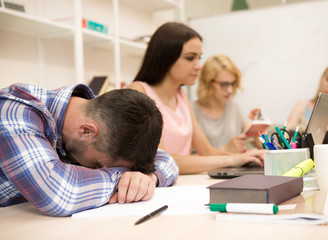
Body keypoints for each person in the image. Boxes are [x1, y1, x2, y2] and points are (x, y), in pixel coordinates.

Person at [0, 83, 179, 216]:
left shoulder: (102, 118)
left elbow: (166, 160)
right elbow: (58, 194)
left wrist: (148, 178)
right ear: (87, 131)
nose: (99, 170)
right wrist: (123, 181)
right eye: (99, 165)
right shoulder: (14, 111)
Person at [127, 22, 264, 174]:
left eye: (199, 58)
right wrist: (234, 159)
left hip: (183, 183)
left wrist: (248, 156)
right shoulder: (138, 92)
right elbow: (160, 160)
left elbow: (207, 151)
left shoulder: (181, 96)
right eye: (190, 58)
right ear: (165, 57)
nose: (199, 66)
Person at [192, 54, 262, 153]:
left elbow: (258, 142)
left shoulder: (233, 108)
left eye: (233, 83)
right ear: (207, 82)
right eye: (224, 84)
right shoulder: (191, 110)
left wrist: (259, 127)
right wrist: (227, 150)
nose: (230, 90)